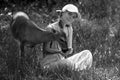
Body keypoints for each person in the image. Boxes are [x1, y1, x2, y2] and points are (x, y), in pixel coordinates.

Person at [41, 4, 93, 79]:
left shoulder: (69, 29)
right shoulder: (51, 28)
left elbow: (69, 50)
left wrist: (68, 51)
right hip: (49, 63)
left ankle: (74, 68)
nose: (71, 17)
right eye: (69, 14)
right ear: (62, 13)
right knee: (67, 64)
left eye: (74, 16)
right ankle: (76, 69)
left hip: (62, 60)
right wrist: (60, 51)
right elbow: (46, 49)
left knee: (87, 53)